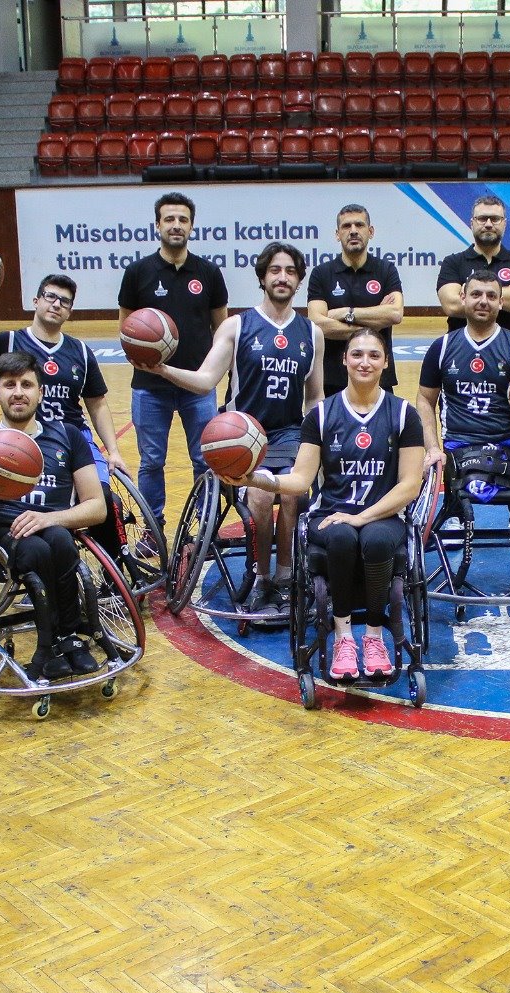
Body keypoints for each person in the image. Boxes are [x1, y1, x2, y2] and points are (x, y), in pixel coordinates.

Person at [136, 242, 323, 613]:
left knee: (292, 494)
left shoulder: (311, 332)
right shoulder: (237, 325)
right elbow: (206, 380)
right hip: (241, 435)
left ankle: (285, 577)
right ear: (262, 277)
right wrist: (162, 370)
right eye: (274, 270)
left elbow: (314, 397)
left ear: (299, 280)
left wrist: (321, 437)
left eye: (289, 271)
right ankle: (261, 578)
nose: (282, 277)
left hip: (288, 434)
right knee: (260, 494)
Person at [229, 330, 426, 681]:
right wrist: (253, 479)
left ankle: (375, 636)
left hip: (381, 514)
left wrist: (362, 515)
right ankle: (344, 637)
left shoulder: (403, 414)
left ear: (386, 362)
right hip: (331, 514)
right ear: (344, 360)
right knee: (341, 538)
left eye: (374, 355)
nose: (365, 362)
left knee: (377, 540)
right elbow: (301, 480)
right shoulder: (320, 415)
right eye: (357, 354)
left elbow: (410, 484)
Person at [0, 352, 109, 682]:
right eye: (9, 385)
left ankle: (67, 638)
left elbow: (97, 507)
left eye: (27, 384)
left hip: (49, 527)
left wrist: (50, 518)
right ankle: (48, 645)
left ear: (40, 392)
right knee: (39, 549)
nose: (18, 392)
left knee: (60, 541)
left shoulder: (67, 436)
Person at [0, 272, 127, 489]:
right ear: (36, 301)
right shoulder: (9, 342)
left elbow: (98, 405)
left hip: (73, 438)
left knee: (102, 495)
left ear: (70, 311)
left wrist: (113, 451)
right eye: (50, 297)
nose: (56, 304)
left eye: (64, 302)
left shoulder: (81, 352)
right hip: (25, 437)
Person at [118, 192, 230, 526]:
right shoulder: (138, 272)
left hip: (198, 385)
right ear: (157, 225)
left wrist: (214, 371)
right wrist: (137, 354)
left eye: (182, 219)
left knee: (205, 459)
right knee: (151, 461)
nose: (176, 225)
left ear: (192, 226)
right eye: (169, 219)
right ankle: (153, 530)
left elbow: (222, 329)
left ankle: (203, 530)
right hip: (150, 385)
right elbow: (126, 326)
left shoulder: (208, 273)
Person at [417, 269, 510, 486]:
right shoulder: (442, 347)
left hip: (507, 444)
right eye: (476, 295)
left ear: (501, 302)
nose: (483, 301)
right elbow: (425, 399)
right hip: (458, 443)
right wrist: (433, 448)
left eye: (491, 296)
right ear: (463, 298)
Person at [306, 204, 404, 396]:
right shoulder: (322, 273)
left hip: (379, 377)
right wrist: (373, 326)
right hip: (332, 380)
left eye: (359, 225)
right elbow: (317, 325)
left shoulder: (386, 270)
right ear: (337, 234)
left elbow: (395, 313)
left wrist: (346, 313)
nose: (353, 231)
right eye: (346, 226)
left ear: (370, 231)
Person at [436, 194, 510, 336]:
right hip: (461, 348)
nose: (489, 224)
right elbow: (452, 305)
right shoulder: (453, 262)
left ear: (504, 223)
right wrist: (509, 291)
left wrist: (470, 293)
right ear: (472, 223)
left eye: (495, 219)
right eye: (482, 219)